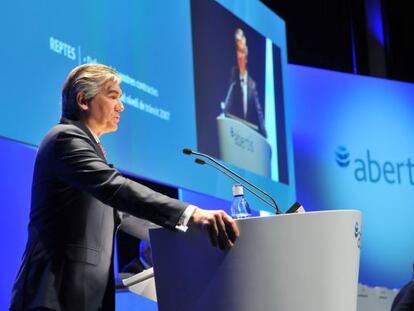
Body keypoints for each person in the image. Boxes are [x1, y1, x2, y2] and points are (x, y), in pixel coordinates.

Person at [10, 64, 239, 311]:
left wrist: (190, 235)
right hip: (53, 296)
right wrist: (191, 214)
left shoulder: (90, 148)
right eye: (113, 96)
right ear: (83, 100)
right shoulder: (65, 138)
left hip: (84, 297)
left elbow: (124, 215)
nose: (121, 106)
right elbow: (115, 187)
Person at [223, 28, 267, 137]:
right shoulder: (233, 75)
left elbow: (259, 113)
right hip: (233, 133)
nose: (239, 56)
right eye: (238, 51)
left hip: (247, 137)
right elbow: (227, 105)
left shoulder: (252, 84)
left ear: (246, 57)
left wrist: (266, 136)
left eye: (242, 52)